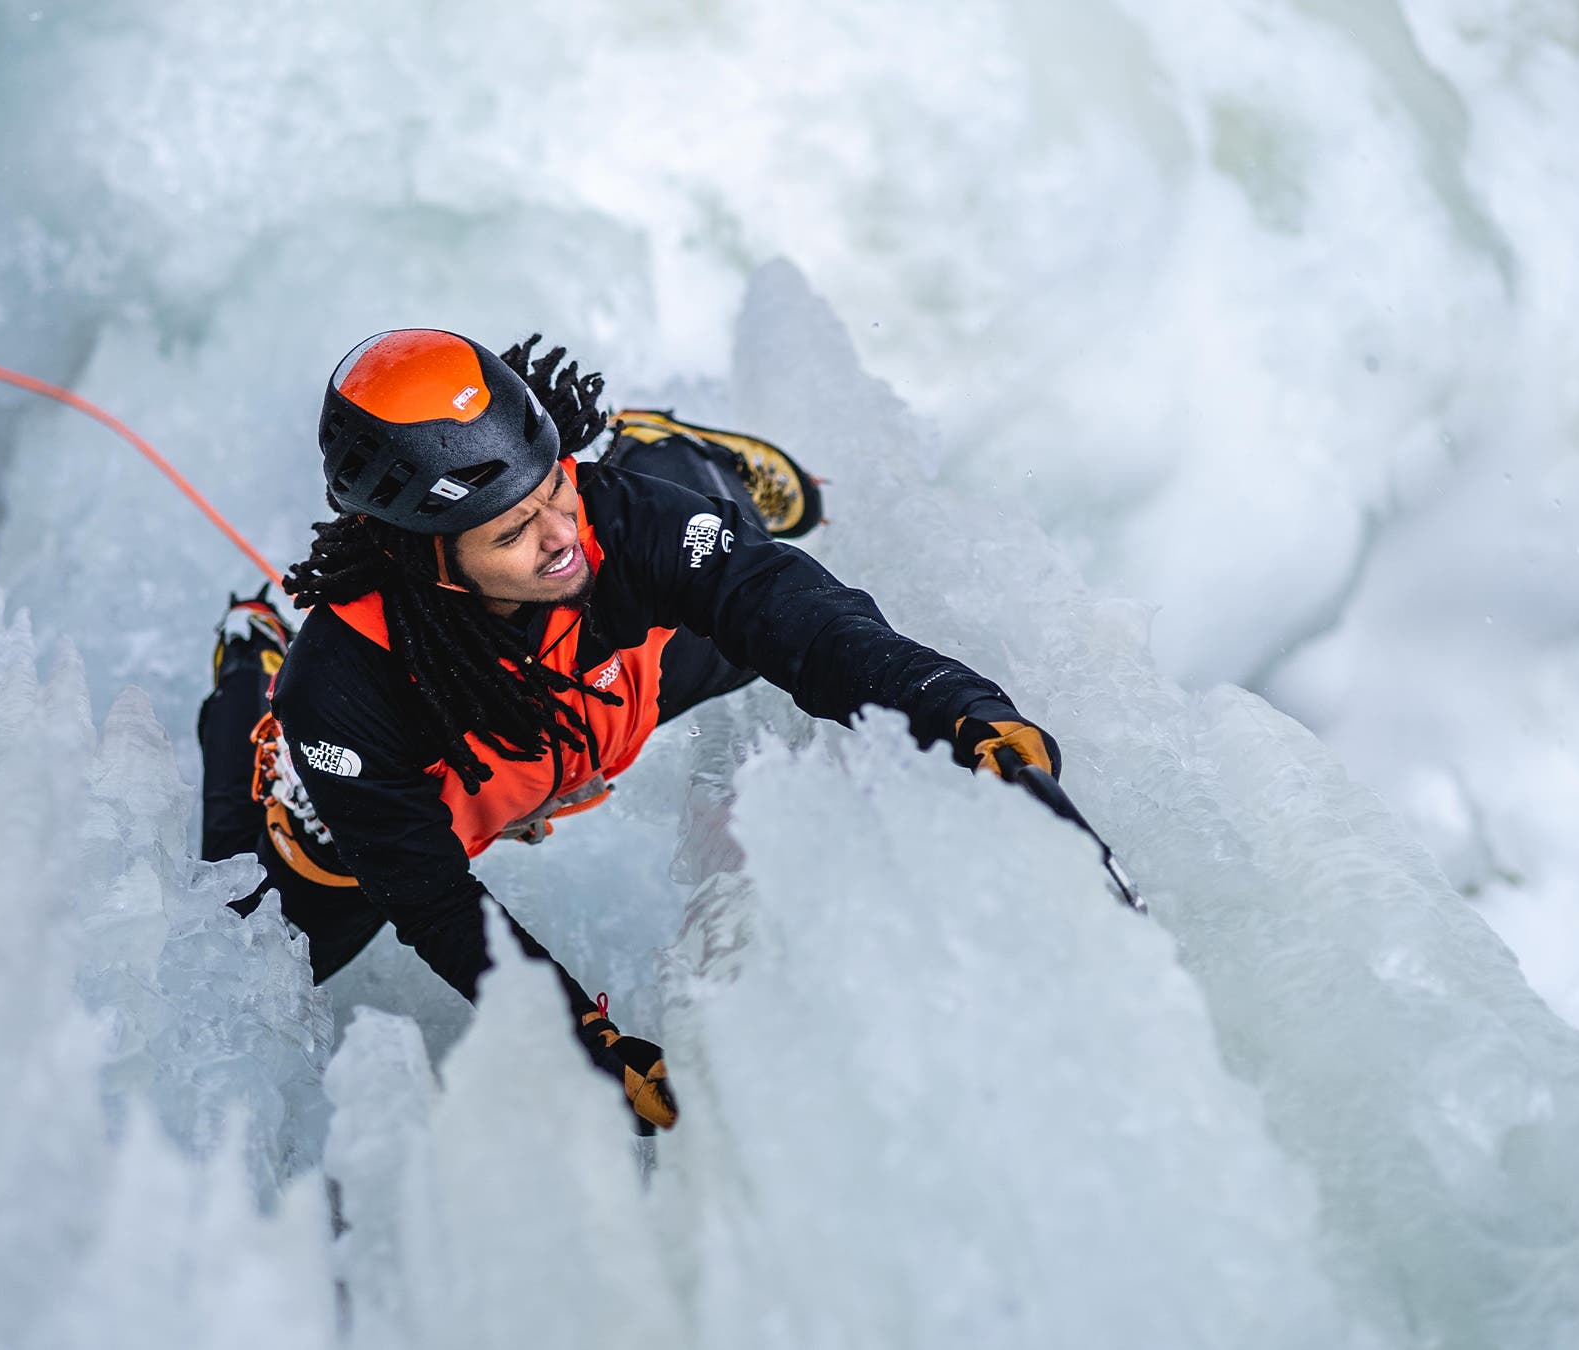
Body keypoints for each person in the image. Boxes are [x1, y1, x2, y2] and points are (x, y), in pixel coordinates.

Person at [198, 329, 1059, 1131]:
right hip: (441, 779)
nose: (561, 536)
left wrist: (958, 707)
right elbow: (433, 896)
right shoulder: (343, 693)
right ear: (431, 559)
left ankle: (654, 447)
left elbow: (798, 614)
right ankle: (248, 654)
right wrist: (581, 1037)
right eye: (513, 530)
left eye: (554, 485)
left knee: (737, 574)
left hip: (613, 694)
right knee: (251, 941)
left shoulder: (609, 519)